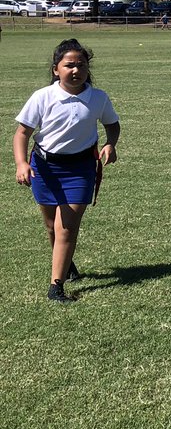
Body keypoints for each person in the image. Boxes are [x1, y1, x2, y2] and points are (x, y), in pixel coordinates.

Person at [13, 39, 120, 304]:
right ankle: (67, 263)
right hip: (45, 168)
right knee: (52, 226)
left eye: (81, 65)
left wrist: (110, 144)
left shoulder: (98, 97)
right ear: (56, 70)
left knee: (67, 228)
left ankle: (55, 287)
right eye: (69, 65)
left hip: (81, 168)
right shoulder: (43, 96)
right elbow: (22, 133)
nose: (75, 70)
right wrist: (21, 164)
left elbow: (113, 124)